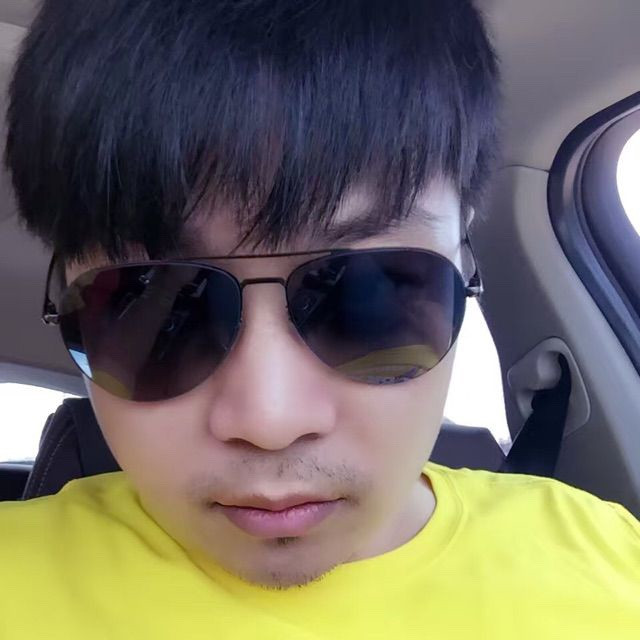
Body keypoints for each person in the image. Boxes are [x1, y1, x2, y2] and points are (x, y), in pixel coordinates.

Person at [1, 0, 639, 637]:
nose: (270, 422)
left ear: (465, 265)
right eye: (164, 306)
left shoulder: (609, 556)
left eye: (364, 298)